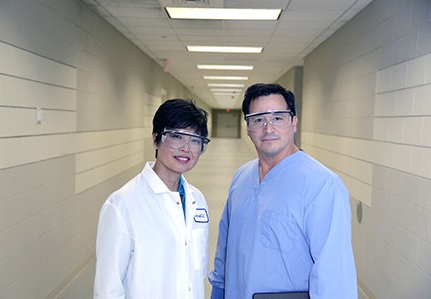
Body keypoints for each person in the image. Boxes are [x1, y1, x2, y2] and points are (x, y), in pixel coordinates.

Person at [208, 83, 357, 299]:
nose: (268, 128)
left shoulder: (321, 185)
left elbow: (335, 276)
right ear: (248, 127)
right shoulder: (241, 177)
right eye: (258, 119)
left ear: (294, 122)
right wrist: (218, 290)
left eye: (278, 118)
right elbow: (225, 243)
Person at [94, 98, 211, 299]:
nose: (186, 148)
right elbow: (107, 290)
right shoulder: (122, 204)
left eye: (195, 140)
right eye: (176, 137)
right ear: (156, 139)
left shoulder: (197, 200)